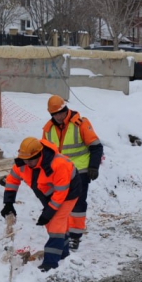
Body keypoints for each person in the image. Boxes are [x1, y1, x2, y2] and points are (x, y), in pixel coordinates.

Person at [0, 137, 81, 272]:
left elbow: (60, 194)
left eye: (31, 160)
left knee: (55, 224)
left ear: (39, 154)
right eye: (25, 160)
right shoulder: (23, 164)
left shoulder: (58, 164)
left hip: (68, 192)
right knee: (54, 224)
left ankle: (50, 263)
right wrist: (8, 203)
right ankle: (63, 253)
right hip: (47, 193)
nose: (27, 163)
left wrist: (48, 213)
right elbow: (12, 180)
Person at [42, 95, 104, 251]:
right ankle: (62, 234)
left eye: (61, 112)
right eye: (55, 114)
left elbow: (96, 146)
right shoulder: (48, 129)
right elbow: (45, 152)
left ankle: (75, 237)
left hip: (80, 171)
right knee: (61, 204)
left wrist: (94, 167)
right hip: (59, 174)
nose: (59, 116)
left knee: (78, 204)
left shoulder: (80, 124)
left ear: (66, 109)